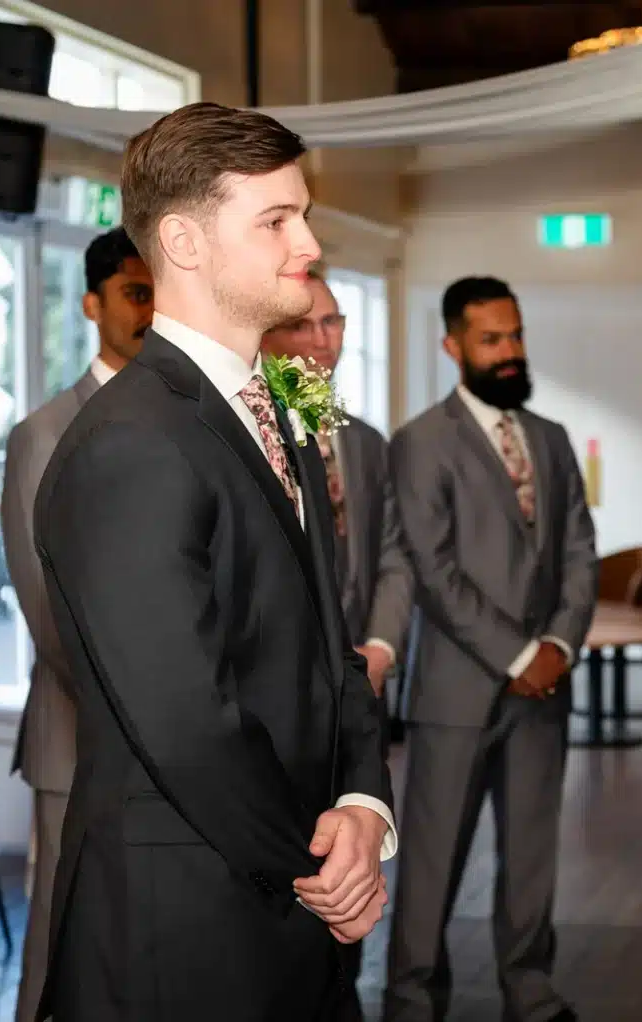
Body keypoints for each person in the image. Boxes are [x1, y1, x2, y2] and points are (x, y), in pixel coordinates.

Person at [30, 101, 395, 1022]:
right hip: (184, 923)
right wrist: (321, 867)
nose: (306, 244)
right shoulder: (131, 442)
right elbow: (186, 720)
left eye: (302, 215)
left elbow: (328, 645)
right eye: (275, 221)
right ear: (184, 243)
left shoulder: (281, 411)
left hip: (294, 896)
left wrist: (363, 804)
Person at [384, 276, 598, 1022]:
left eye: (516, 336)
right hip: (455, 690)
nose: (509, 352)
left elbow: (579, 551)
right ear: (454, 346)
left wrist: (560, 647)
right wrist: (518, 656)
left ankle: (531, 992)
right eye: (491, 340)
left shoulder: (552, 439)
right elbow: (434, 574)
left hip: (544, 688)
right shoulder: (420, 443)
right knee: (434, 858)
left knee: (533, 855)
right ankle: (411, 999)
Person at [0, 226, 152, 1022]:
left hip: (171, 746)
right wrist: (139, 713)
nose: (148, 310)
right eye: (133, 293)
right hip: (80, 737)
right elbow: (46, 610)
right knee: (60, 942)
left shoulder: (180, 423)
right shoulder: (44, 434)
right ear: (92, 304)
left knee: (146, 947)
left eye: (157, 292)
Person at [260, 266, 416, 989]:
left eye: (334, 324)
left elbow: (392, 554)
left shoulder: (367, 441)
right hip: (281, 705)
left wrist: (379, 647)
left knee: (356, 863)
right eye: (304, 325)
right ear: (267, 332)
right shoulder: (247, 438)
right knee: (297, 877)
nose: (322, 343)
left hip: (360, 696)